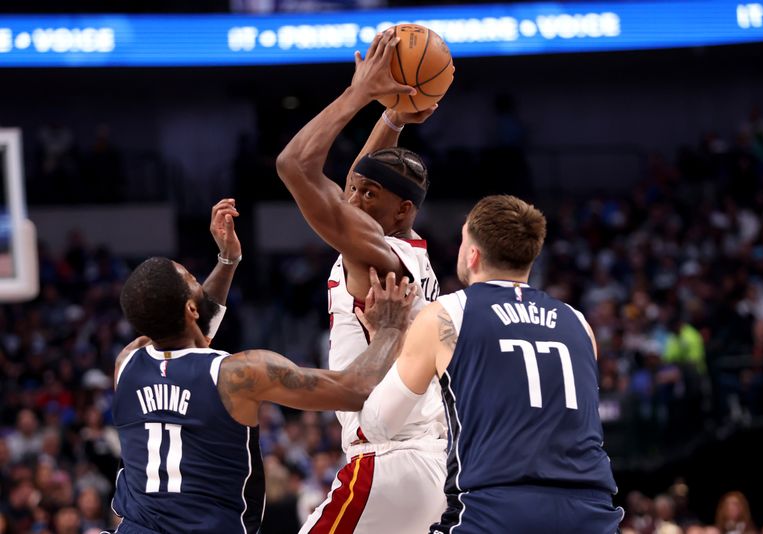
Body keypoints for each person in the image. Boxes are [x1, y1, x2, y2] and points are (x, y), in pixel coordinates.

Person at [108, 198, 416, 534]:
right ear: (191, 310)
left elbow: (191, 336)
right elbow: (356, 389)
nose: (199, 283)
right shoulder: (241, 375)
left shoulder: (127, 362)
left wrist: (228, 260)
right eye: (192, 279)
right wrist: (391, 327)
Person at [359, 195, 624, 533]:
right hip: (592, 514)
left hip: (496, 513)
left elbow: (378, 424)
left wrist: (387, 336)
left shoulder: (447, 315)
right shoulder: (579, 324)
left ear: (473, 254)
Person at [276, 30, 447, 532]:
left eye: (370, 195)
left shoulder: (380, 259)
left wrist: (361, 92)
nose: (354, 198)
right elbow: (352, 186)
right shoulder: (407, 250)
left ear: (403, 210)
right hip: (424, 458)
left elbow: (294, 166)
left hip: (390, 457)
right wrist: (392, 118)